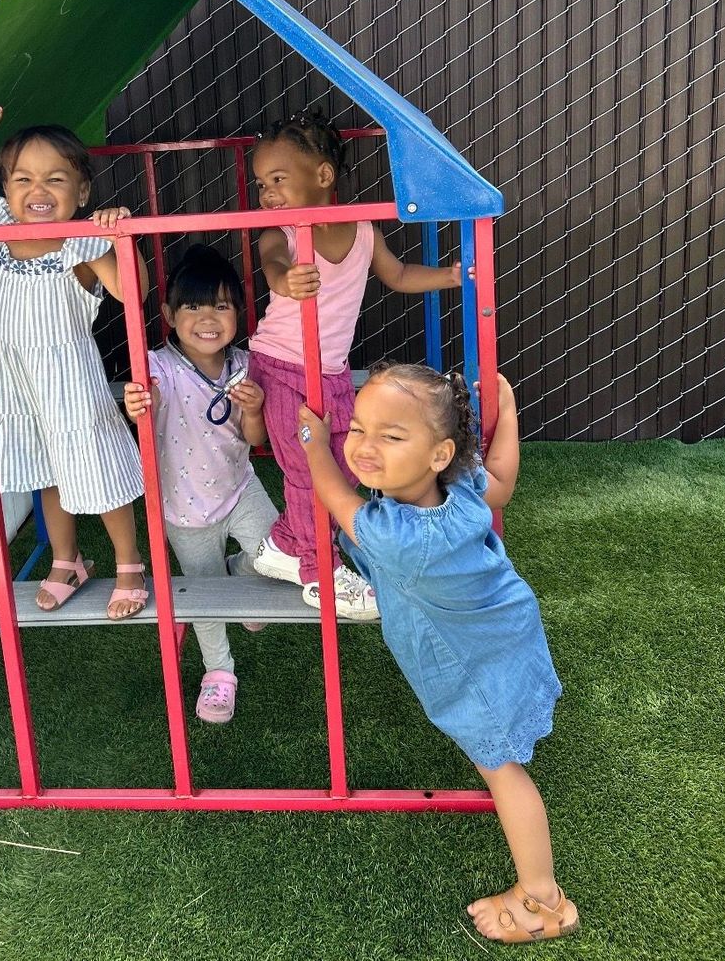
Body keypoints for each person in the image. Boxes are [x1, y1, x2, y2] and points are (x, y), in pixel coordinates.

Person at [298, 364, 579, 944]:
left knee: (499, 766)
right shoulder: (459, 489)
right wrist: (509, 413)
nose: (365, 446)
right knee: (505, 726)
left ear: (437, 453)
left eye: (391, 436)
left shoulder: (398, 536)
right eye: (356, 428)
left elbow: (332, 493)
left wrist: (312, 441)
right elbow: (500, 478)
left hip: (471, 658)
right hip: (506, 625)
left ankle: (540, 898)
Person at [249, 107, 463, 618]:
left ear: (323, 176)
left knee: (344, 464)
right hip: (281, 367)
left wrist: (452, 277)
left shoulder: (363, 228)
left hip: (331, 373)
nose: (268, 194)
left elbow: (400, 275)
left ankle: (282, 543)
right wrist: (284, 281)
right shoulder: (283, 232)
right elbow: (272, 261)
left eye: (278, 179)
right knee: (306, 470)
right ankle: (315, 570)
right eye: (261, 184)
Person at [0, 105, 149, 619]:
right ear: (6, 192)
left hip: (70, 381)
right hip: (13, 381)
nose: (38, 190)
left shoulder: (83, 241)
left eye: (56, 179)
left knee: (97, 469)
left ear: (81, 193)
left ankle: (129, 563)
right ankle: (67, 560)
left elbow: (133, 291)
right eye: (23, 179)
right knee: (44, 467)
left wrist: (120, 237)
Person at [123, 244, 276, 724]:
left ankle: (242, 575)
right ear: (168, 313)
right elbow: (144, 396)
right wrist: (135, 401)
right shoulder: (160, 366)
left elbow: (256, 439)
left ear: (238, 315)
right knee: (205, 598)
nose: (207, 317)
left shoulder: (245, 365)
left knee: (278, 557)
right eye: (193, 305)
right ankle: (218, 672)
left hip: (239, 487)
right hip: (185, 509)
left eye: (222, 305)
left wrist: (253, 410)